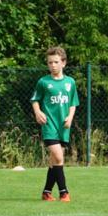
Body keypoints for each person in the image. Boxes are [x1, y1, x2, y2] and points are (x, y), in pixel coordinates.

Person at [30, 47, 79, 201]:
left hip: (63, 126)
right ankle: (64, 192)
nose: (53, 65)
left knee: (54, 161)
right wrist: (38, 112)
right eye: (50, 62)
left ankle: (46, 192)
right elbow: (35, 99)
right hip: (49, 125)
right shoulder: (43, 82)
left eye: (56, 62)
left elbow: (73, 103)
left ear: (63, 63)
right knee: (58, 157)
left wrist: (70, 117)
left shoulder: (70, 82)